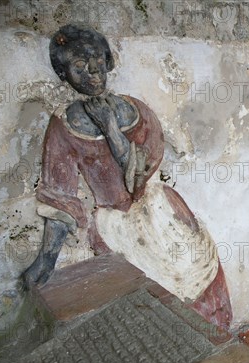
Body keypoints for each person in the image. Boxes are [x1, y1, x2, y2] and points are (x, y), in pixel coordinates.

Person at [20, 24, 232, 329]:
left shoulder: (136, 111)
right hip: (118, 226)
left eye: (97, 62)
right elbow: (60, 198)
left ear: (108, 62)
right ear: (63, 73)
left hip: (162, 211)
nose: (92, 73)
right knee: (150, 309)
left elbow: (139, 181)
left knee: (201, 274)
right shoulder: (64, 126)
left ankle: (217, 343)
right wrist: (45, 259)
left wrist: (111, 129)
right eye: (79, 66)